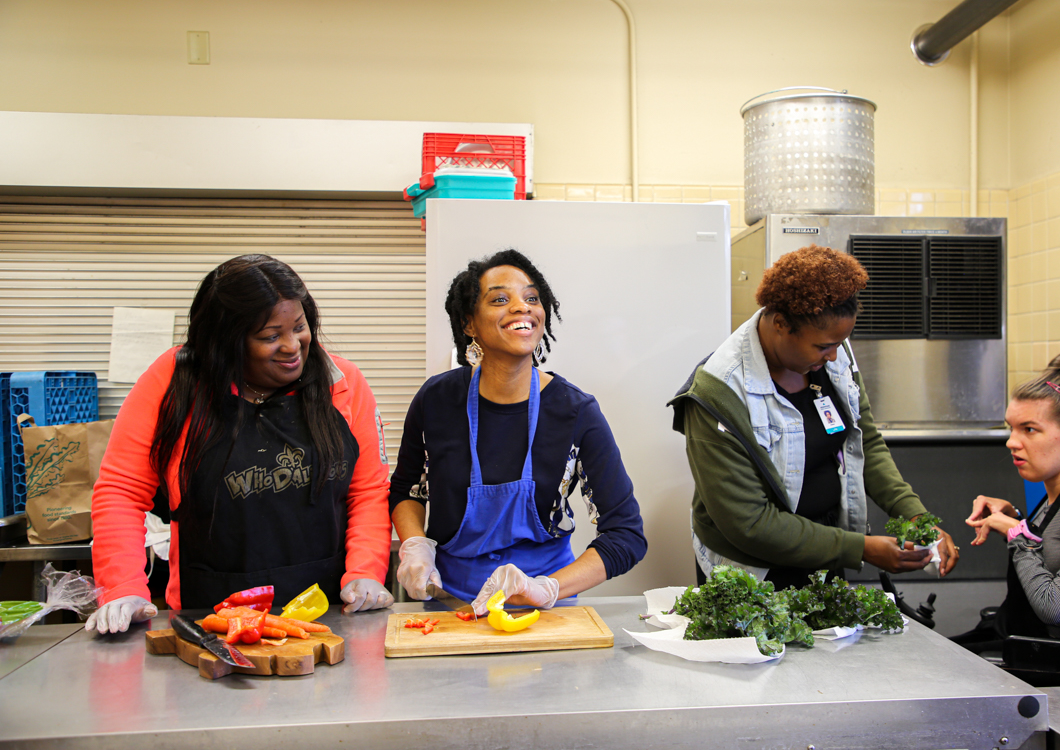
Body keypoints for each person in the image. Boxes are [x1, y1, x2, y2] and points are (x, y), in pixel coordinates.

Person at [86, 255, 394, 634]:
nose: (292, 346)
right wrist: (122, 587)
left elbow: (367, 492)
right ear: (226, 341)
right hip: (207, 619)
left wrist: (365, 571)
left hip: (327, 617)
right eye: (269, 336)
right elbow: (121, 492)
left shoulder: (341, 382)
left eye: (299, 327)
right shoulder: (173, 380)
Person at [668, 245, 959, 590]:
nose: (834, 355)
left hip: (825, 551)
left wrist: (913, 513)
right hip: (749, 570)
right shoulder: (718, 393)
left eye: (840, 343)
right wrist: (861, 549)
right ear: (780, 324)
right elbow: (749, 523)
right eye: (823, 347)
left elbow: (863, 440)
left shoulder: (833, 353)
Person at [391, 248, 647, 614]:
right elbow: (406, 490)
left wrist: (547, 587)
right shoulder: (437, 400)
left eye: (531, 298)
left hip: (546, 609)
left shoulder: (575, 412)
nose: (521, 307)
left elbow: (626, 535)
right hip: (451, 605)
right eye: (499, 299)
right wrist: (414, 545)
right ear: (468, 324)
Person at [952, 352, 1060, 649]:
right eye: (1011, 428)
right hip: (1016, 639)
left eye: (1029, 429)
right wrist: (1016, 517)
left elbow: (1055, 607)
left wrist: (1016, 533)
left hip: (1051, 660)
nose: (1012, 441)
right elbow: (1051, 547)